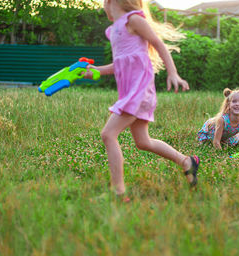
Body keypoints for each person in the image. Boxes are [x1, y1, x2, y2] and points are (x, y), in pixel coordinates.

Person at [84, 0, 199, 201]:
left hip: (139, 92)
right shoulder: (114, 30)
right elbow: (120, 63)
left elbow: (158, 44)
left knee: (108, 134)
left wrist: (172, 73)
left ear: (111, 2)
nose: (104, 7)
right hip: (131, 93)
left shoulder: (133, 20)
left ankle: (118, 192)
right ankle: (186, 161)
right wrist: (97, 71)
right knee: (143, 142)